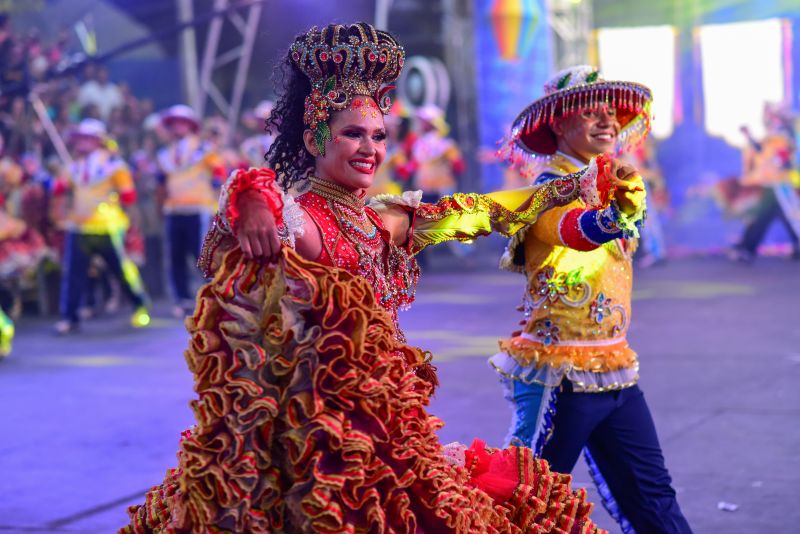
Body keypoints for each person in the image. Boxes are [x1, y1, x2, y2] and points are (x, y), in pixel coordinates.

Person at [122, 23, 642, 533]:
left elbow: (479, 211)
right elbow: (257, 197)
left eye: (378, 135)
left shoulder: (384, 221)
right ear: (315, 136)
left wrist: (570, 185)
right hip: (317, 437)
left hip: (391, 425)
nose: (370, 148)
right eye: (352, 133)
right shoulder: (304, 219)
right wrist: (250, 196)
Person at [490, 66, 692, 533]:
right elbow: (575, 231)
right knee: (526, 502)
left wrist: (621, 201)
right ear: (560, 123)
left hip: (616, 372)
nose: (607, 122)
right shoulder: (547, 188)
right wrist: (615, 213)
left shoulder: (614, 180)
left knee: (654, 498)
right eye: (591, 113)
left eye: (611, 113)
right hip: (558, 377)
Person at [53, 118, 149, 335]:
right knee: (74, 273)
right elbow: (59, 190)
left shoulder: (115, 166)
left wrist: (133, 221)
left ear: (98, 141)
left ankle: (140, 305)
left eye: (87, 139)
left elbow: (129, 196)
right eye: (79, 139)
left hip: (107, 227)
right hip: (79, 227)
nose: (81, 143)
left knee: (121, 270)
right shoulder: (73, 167)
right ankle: (69, 317)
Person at [156, 105, 226, 316]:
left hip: (199, 208)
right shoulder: (164, 155)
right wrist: (160, 205)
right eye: (173, 123)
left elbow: (219, 172)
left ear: (190, 125)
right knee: (176, 256)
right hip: (174, 210)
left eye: (181, 122)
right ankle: (183, 299)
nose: (177, 127)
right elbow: (161, 183)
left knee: (203, 254)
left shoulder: (204, 149)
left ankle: (217, 293)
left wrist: (217, 195)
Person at [729, 103, 800, 261]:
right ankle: (747, 247)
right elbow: (760, 150)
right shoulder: (772, 137)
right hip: (771, 185)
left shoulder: (785, 136)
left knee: (788, 215)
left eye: (772, 116)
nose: (769, 119)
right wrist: (748, 137)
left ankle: (747, 248)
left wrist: (783, 160)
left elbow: (787, 158)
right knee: (770, 216)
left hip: (783, 185)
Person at [239, 100, 276, 168]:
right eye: (259, 120)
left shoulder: (278, 139)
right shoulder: (253, 141)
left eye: (263, 120)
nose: (260, 122)